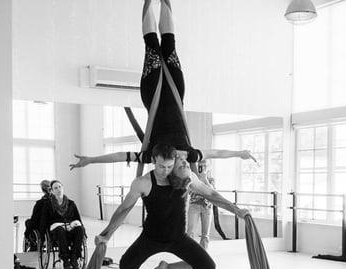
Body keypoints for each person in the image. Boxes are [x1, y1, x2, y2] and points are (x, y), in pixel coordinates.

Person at [69, 0, 256, 171]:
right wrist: (239, 154)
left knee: (151, 44)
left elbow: (119, 156)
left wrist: (91, 160)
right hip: (176, 92)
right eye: (183, 166)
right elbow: (216, 153)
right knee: (169, 43)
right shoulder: (189, 154)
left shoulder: (153, 156)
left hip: (153, 94)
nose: (181, 164)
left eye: (175, 167)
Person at [95, 143, 248, 269]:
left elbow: (211, 194)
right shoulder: (143, 183)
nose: (165, 171)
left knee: (208, 268)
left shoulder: (185, 177)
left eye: (169, 166)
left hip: (179, 238)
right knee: (126, 267)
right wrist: (106, 235)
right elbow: (124, 209)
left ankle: (167, 268)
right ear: (154, 161)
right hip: (150, 238)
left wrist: (236, 210)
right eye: (162, 167)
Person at [41, 180, 86, 269]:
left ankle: (74, 257)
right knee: (60, 230)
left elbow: (78, 219)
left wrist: (83, 232)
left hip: (69, 228)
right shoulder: (48, 204)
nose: (58, 189)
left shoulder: (71, 203)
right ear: (52, 191)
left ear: (63, 188)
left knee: (79, 229)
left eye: (60, 187)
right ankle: (65, 260)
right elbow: (44, 221)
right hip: (56, 231)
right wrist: (42, 237)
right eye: (55, 188)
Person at [186, 159, 214, 249]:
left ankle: (204, 255)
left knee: (205, 235)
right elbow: (189, 190)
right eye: (200, 165)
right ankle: (190, 254)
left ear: (208, 167)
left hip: (207, 207)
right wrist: (197, 180)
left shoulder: (211, 179)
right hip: (194, 206)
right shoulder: (192, 177)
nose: (202, 167)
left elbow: (212, 192)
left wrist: (204, 179)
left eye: (205, 165)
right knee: (190, 232)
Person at [24, 180, 51, 251]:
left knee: (28, 222)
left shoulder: (40, 203)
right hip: (53, 225)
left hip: (42, 226)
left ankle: (33, 243)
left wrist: (26, 233)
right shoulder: (58, 200)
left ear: (42, 190)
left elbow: (34, 218)